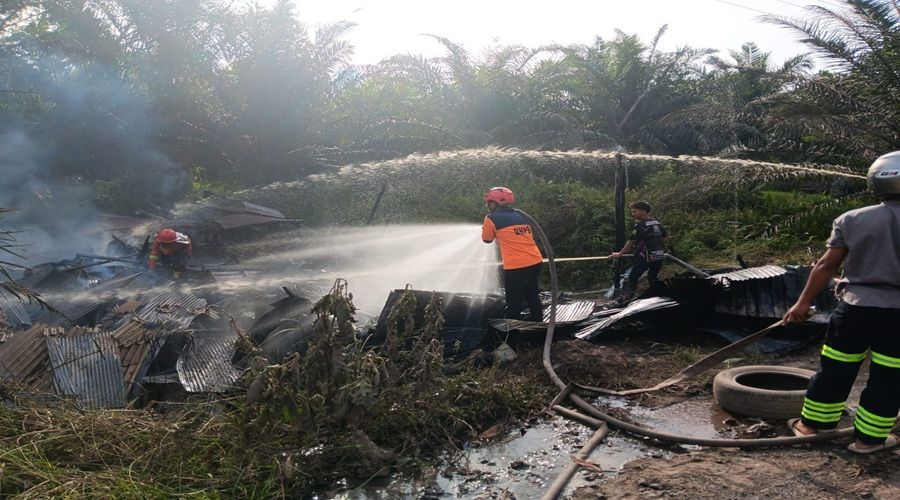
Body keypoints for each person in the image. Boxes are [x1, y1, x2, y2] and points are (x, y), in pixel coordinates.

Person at [783, 150, 900, 454]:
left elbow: (825, 266)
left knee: (836, 368)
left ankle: (810, 426)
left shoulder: (853, 219)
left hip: (854, 310)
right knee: (890, 376)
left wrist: (801, 303)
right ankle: (867, 441)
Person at [481, 187, 544, 322]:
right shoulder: (520, 215)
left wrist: (485, 228)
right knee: (532, 295)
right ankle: (539, 325)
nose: (487, 206)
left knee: (514, 301)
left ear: (496, 203)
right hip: (535, 261)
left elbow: (487, 239)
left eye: (489, 203)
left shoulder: (491, 218)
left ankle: (511, 336)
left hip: (516, 266)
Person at [610, 201, 668, 298]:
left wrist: (620, 253)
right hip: (658, 255)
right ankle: (660, 296)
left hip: (645, 256)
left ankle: (626, 300)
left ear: (643, 211)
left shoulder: (640, 226)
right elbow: (665, 238)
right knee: (652, 277)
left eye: (634, 211)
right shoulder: (657, 223)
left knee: (632, 277)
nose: (633, 214)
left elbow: (631, 241)